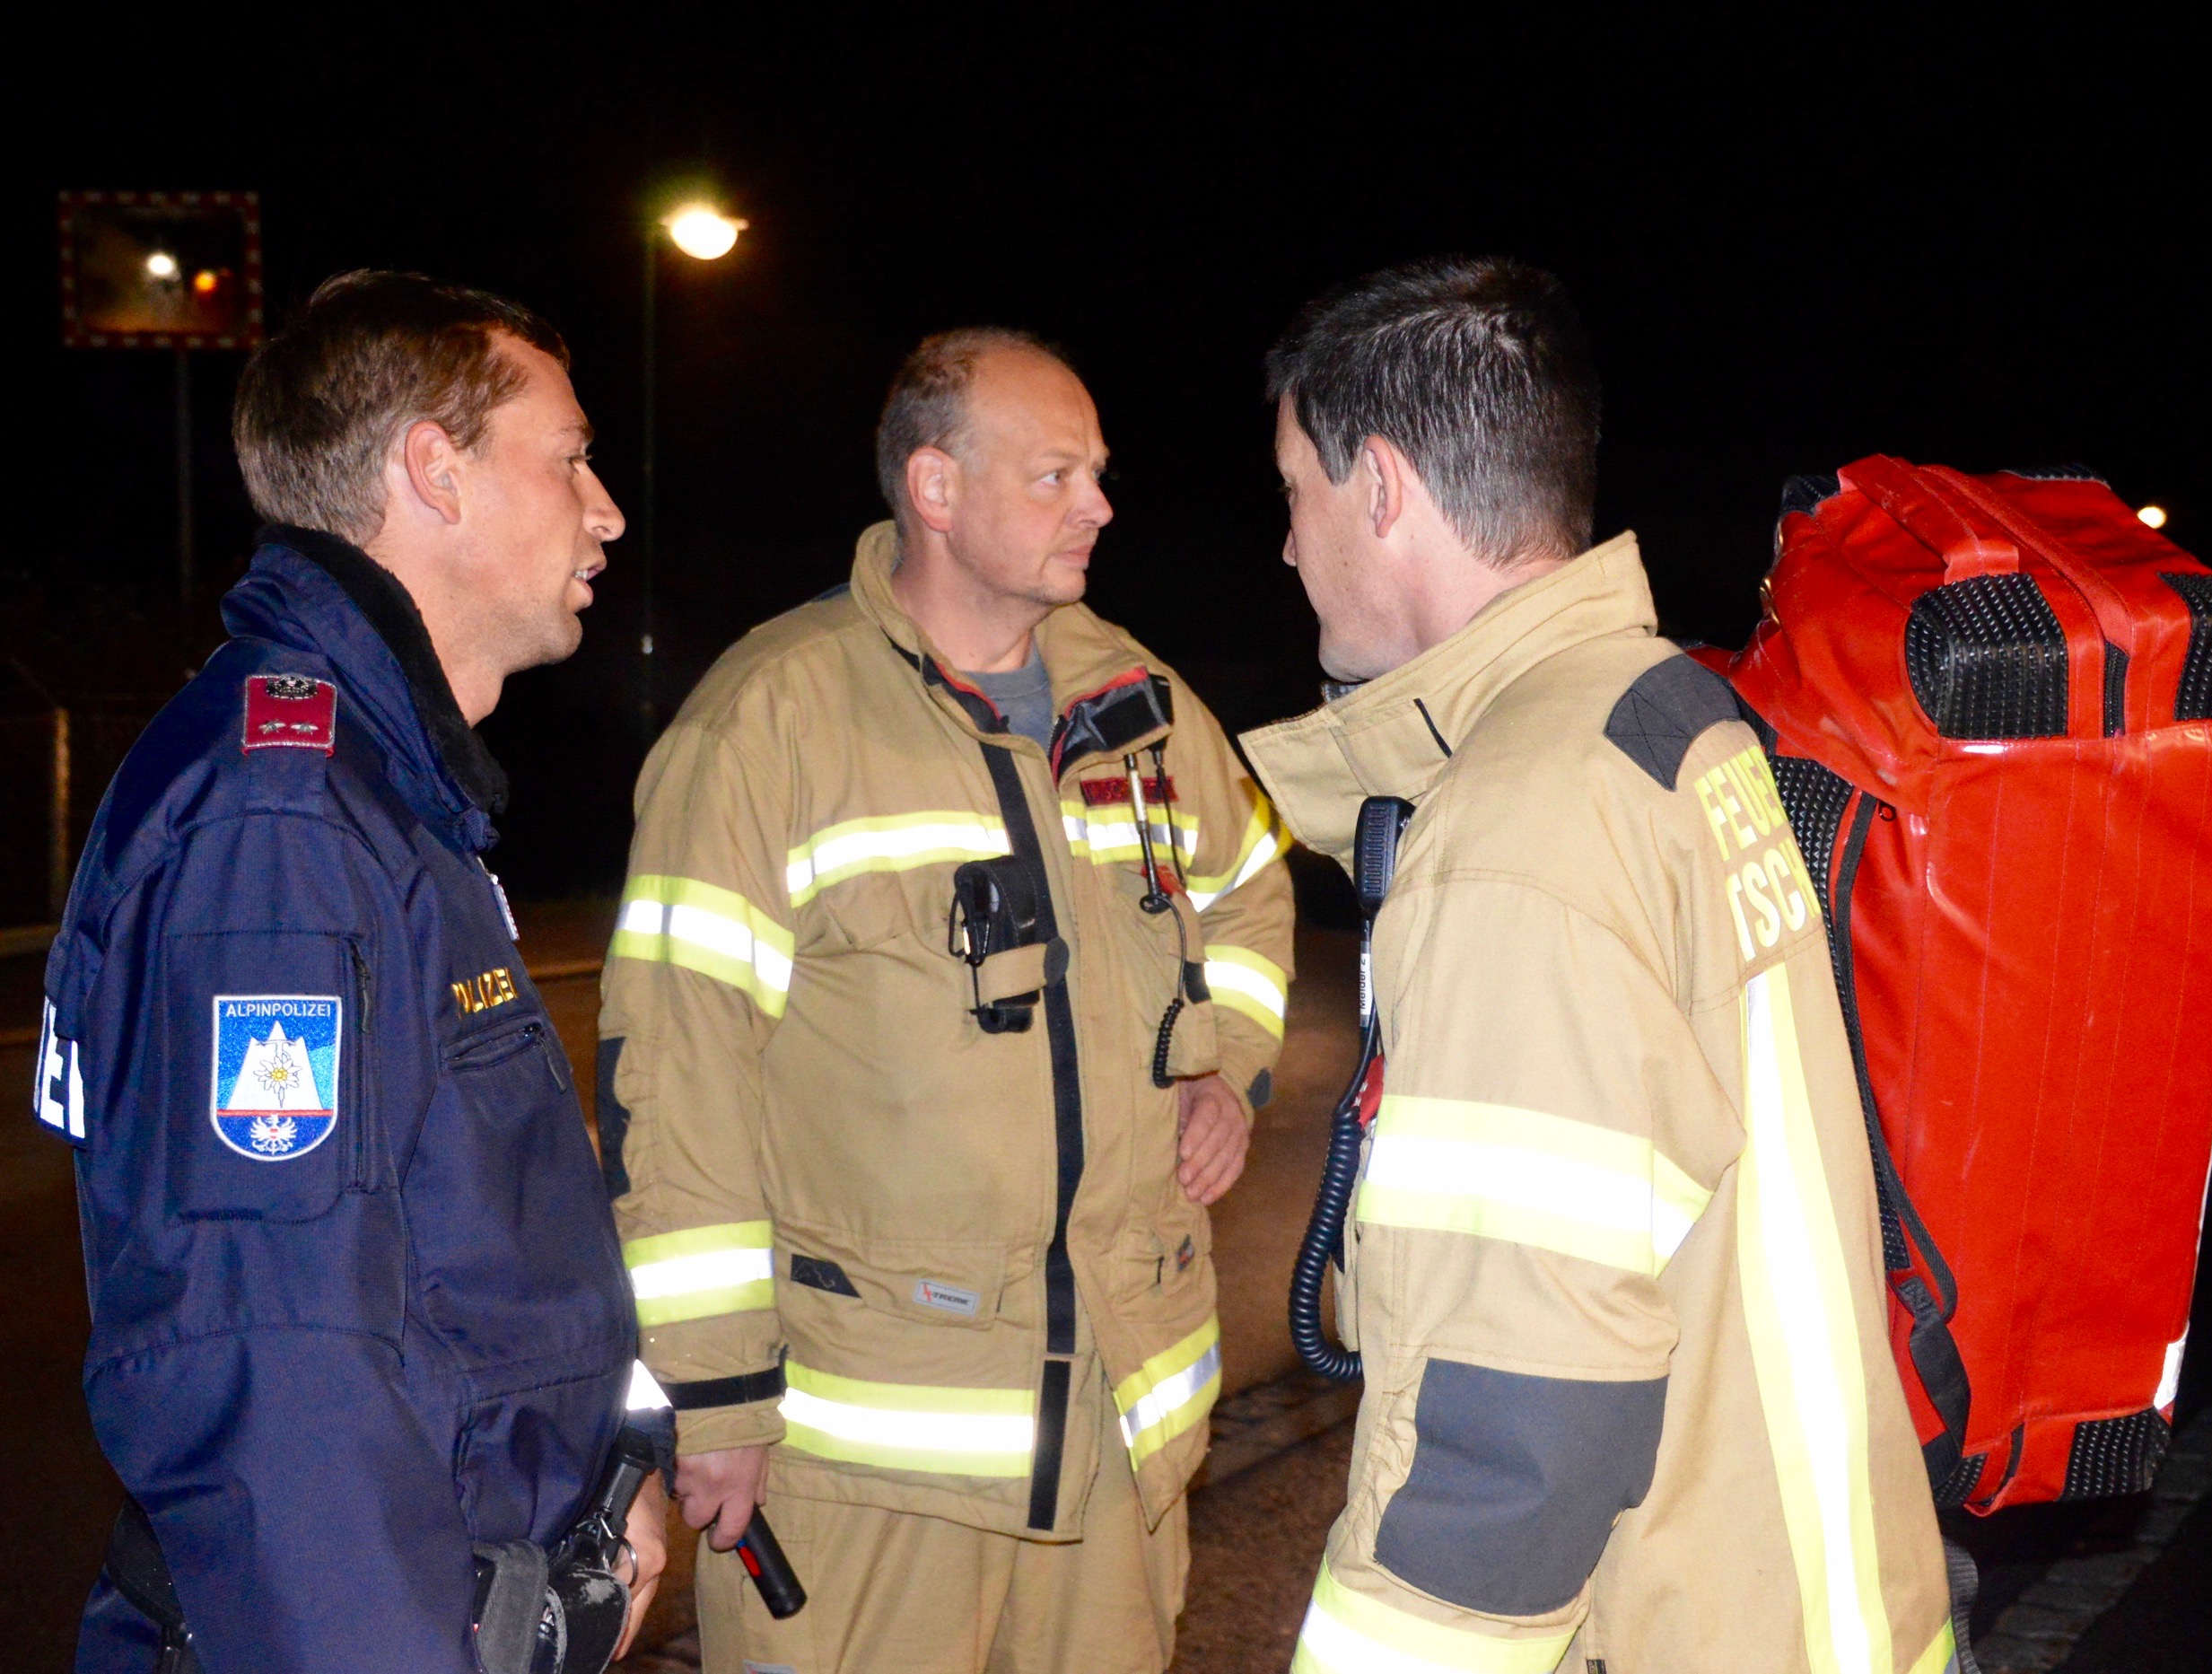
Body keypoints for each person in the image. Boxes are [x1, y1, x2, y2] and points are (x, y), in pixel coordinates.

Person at [1239, 259, 1956, 1673]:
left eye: (1293, 491)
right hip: (1799, 1606)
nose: (1283, 545)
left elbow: (1520, 1409)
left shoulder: (1521, 827)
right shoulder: (1667, 716)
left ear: (1378, 487)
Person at [598, 327, 1296, 1671]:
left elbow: (1251, 883)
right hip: (870, 1472)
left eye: (1096, 473)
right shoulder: (773, 719)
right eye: (1055, 475)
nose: (1097, 506)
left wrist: (1230, 1060)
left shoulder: (1137, 702)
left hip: (1115, 1449)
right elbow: (677, 1076)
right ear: (934, 485)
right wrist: (719, 1394)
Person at [38, 271, 664, 1671]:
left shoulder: (375, 788)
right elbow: (279, 1365)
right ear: (435, 470)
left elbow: (463, 1250)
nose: (605, 508)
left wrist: (606, 1472)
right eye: (568, 458)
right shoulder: (283, 824)